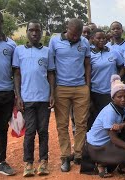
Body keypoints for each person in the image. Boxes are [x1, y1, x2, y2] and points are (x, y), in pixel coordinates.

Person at [13, 19, 55, 177]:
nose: (35, 33)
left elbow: (51, 73)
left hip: (44, 98)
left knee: (43, 131)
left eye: (37, 30)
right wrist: (18, 96)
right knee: (30, 131)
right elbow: (16, 74)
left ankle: (43, 162)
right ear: (27, 32)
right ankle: (28, 163)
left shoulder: (47, 51)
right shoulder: (19, 50)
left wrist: (52, 94)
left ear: (41, 32)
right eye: (31, 30)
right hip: (27, 97)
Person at [49, 18, 91, 172]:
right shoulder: (54, 42)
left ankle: (78, 154)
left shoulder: (84, 42)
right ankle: (65, 156)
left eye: (78, 35)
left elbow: (87, 64)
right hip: (62, 88)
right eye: (73, 34)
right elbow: (51, 69)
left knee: (81, 123)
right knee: (62, 125)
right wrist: (52, 91)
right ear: (67, 28)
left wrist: (87, 86)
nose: (76, 37)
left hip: (81, 88)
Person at [85, 75, 125, 178]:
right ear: (113, 98)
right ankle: (101, 164)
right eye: (119, 97)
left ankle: (122, 166)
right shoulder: (110, 112)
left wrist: (122, 125)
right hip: (97, 146)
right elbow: (114, 140)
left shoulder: (122, 107)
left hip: (107, 142)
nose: (123, 99)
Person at [88, 29, 124, 131]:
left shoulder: (113, 51)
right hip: (96, 92)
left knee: (113, 120)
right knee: (97, 119)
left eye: (103, 38)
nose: (101, 40)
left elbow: (122, 67)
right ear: (92, 39)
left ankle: (113, 143)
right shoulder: (89, 54)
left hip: (112, 93)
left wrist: (118, 78)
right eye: (98, 38)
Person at [0, 9, 17, 176]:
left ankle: (1, 162)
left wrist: (17, 94)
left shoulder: (11, 44)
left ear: (0, 22)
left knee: (2, 128)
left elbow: (16, 72)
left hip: (6, 93)